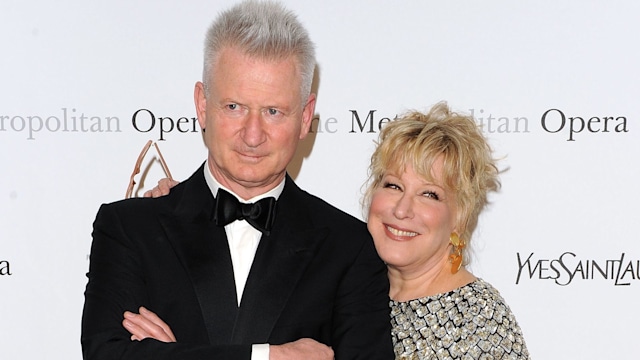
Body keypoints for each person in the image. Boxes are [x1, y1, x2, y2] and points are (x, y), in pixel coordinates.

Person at [81, 1, 393, 359]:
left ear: (305, 117)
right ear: (202, 104)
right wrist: (267, 356)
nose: (253, 134)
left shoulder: (349, 248)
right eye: (234, 107)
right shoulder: (128, 229)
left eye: (273, 111)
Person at [363, 102, 530, 359]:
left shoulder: (478, 321)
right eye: (394, 186)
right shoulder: (347, 294)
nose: (402, 209)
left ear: (459, 217)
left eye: (429, 194)